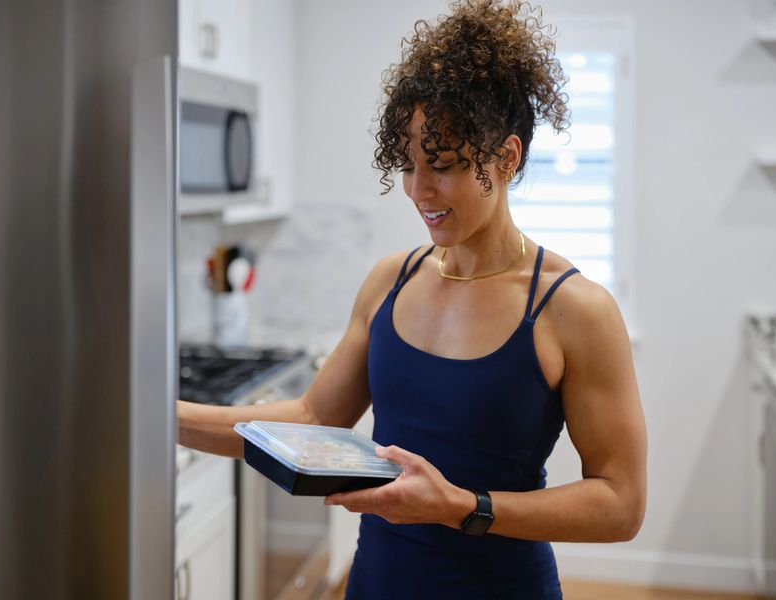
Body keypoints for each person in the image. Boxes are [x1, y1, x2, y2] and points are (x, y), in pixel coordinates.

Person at [178, 0, 647, 598]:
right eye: (407, 164)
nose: (419, 190)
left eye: (443, 165)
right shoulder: (389, 281)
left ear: (506, 158)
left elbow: (621, 503)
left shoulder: (573, 309)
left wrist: (459, 506)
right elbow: (311, 419)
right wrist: (158, 416)